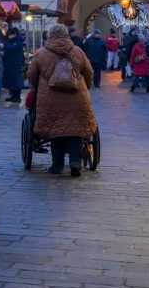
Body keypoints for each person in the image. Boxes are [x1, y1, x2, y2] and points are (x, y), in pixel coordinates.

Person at [26, 24, 96, 177]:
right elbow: (89, 73)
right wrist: (86, 86)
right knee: (75, 131)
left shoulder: (41, 53)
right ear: (66, 35)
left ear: (50, 35)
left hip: (50, 99)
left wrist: (38, 87)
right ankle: (75, 162)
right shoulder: (78, 51)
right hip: (77, 98)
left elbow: (31, 75)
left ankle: (57, 165)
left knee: (55, 131)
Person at [2, 26, 26, 103]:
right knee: (12, 81)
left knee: (16, 80)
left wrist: (5, 43)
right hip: (11, 64)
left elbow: (11, 49)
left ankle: (17, 97)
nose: (9, 36)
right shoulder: (14, 40)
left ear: (14, 34)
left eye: (10, 35)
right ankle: (13, 96)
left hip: (16, 64)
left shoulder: (18, 41)